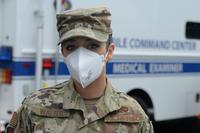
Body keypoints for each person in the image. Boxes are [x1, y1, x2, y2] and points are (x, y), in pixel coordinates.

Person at [6, 6, 154, 133]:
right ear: (63, 53)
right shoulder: (34, 108)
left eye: (93, 46)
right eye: (71, 47)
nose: (81, 56)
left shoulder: (134, 116)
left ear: (109, 52)